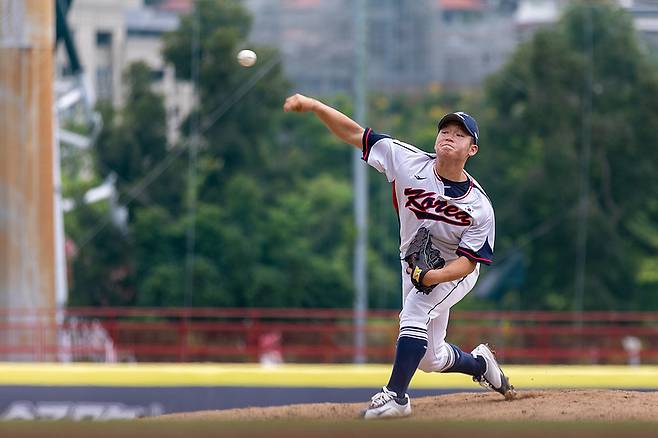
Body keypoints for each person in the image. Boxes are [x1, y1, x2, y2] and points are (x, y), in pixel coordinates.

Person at [283, 93, 515, 420]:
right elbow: (354, 134)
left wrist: (432, 277)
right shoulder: (406, 160)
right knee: (431, 359)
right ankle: (481, 364)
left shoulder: (479, 207)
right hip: (415, 268)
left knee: (414, 314)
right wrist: (315, 106)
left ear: (471, 150)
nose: (449, 136)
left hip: (453, 272)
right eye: (445, 130)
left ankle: (396, 397)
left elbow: (468, 262)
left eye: (460, 134)